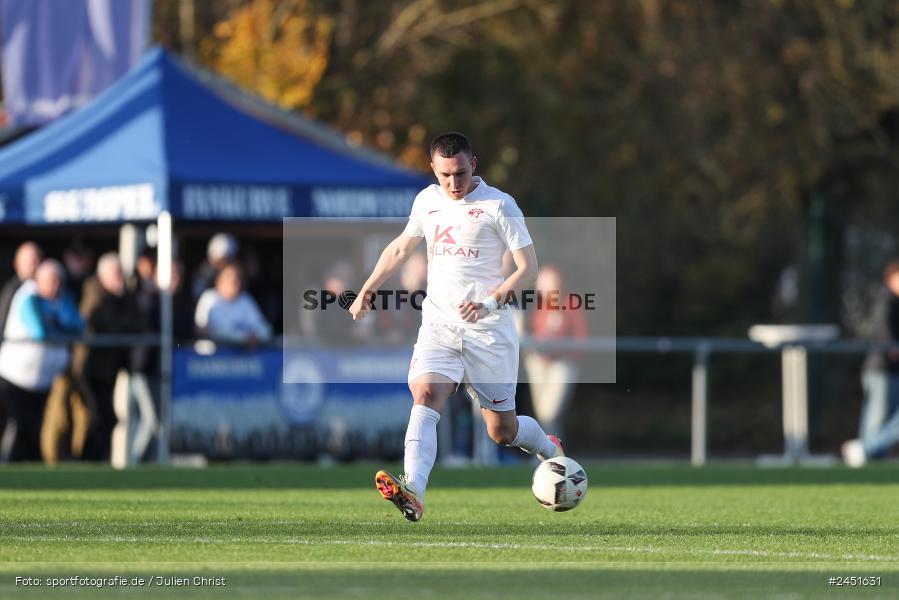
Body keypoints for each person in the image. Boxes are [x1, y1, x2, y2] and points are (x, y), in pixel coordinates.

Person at [349, 132, 563, 521]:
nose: (453, 183)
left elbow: (527, 269)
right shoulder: (426, 201)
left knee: (502, 431)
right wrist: (367, 289)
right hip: (439, 324)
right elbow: (400, 247)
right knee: (426, 393)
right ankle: (413, 489)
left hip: (489, 330)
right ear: (433, 169)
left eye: (460, 173)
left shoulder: (500, 205)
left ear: (473, 165)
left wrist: (490, 302)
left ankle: (548, 447)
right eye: (445, 174)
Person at [0, 259, 83, 461]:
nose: (56, 285)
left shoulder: (63, 298)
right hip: (15, 378)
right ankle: (8, 465)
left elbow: (78, 327)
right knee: (18, 426)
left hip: (43, 381)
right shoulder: (28, 297)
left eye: (58, 281)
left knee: (37, 428)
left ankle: (30, 470)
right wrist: (61, 330)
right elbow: (39, 332)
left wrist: (57, 328)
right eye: (51, 280)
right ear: (39, 279)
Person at [75, 252, 147, 461]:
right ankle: (85, 461)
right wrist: (126, 326)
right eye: (116, 274)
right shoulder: (94, 293)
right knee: (95, 417)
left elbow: (140, 324)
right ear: (103, 275)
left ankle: (99, 461)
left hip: (110, 368)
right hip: (88, 369)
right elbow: (101, 322)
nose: (120, 278)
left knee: (108, 418)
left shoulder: (125, 297)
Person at [843, 259, 899, 467]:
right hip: (880, 370)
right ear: (890, 279)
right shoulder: (886, 302)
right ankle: (864, 453)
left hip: (892, 370)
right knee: (876, 421)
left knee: (885, 421)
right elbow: (886, 340)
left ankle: (866, 455)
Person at [523, 265, 588, 439]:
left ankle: (551, 454)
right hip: (538, 364)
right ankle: (552, 456)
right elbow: (528, 336)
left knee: (549, 413)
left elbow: (580, 340)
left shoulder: (570, 304)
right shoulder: (537, 308)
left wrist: (556, 347)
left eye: (546, 282)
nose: (541, 287)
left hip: (562, 365)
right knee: (544, 416)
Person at [194, 260, 272, 346]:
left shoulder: (246, 300)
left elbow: (266, 331)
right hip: (212, 357)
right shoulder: (209, 298)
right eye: (229, 277)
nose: (234, 281)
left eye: (238, 277)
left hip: (243, 358)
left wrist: (254, 337)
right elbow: (204, 331)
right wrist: (242, 338)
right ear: (218, 280)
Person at [192, 233, 239, 301]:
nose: (223, 264)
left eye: (227, 260)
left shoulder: (244, 299)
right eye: (220, 260)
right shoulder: (207, 296)